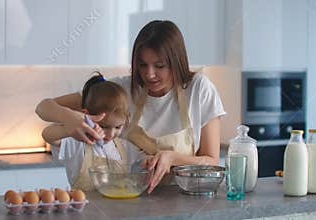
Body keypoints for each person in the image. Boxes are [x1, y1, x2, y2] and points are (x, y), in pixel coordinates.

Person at [36, 20, 226, 193]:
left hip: (184, 198)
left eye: (159, 66)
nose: (149, 74)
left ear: (176, 62)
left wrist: (172, 158)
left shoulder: (199, 89)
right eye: (142, 65)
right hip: (129, 200)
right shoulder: (122, 90)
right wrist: (68, 117)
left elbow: (211, 162)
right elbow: (43, 108)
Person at [42, 73, 143, 191]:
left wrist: (151, 161)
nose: (110, 134)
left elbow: (144, 160)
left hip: (119, 207)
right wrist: (72, 127)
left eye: (117, 127)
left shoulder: (124, 148)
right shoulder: (77, 143)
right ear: (87, 116)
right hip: (86, 208)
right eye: (104, 126)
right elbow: (47, 135)